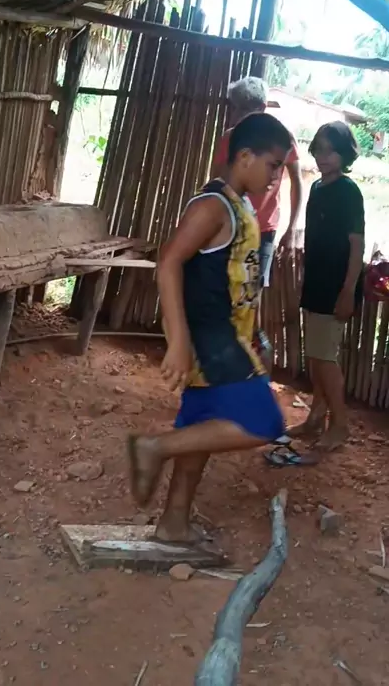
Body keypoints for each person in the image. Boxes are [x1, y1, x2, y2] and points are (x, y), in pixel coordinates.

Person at [127, 112, 292, 543]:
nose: (277, 176)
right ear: (245, 156)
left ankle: (173, 523)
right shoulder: (213, 206)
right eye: (273, 165)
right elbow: (168, 262)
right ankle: (154, 447)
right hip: (213, 339)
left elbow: (238, 278)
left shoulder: (239, 204)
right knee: (265, 422)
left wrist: (252, 334)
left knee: (200, 428)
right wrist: (179, 341)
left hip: (227, 336)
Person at [290, 121, 364, 452]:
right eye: (319, 149)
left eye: (331, 151)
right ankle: (316, 418)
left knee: (324, 359)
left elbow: (356, 245)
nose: (323, 156)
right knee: (316, 356)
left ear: (345, 155)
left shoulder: (348, 192)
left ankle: (340, 425)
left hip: (336, 286)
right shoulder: (318, 188)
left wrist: (348, 291)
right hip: (317, 283)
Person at [212, 77, 303, 287]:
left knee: (253, 289)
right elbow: (217, 180)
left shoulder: (283, 139)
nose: (236, 114)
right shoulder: (230, 138)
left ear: (262, 108)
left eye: (243, 109)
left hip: (264, 229)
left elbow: (296, 183)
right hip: (231, 223)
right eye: (235, 108)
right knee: (223, 285)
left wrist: (291, 228)